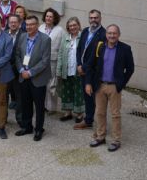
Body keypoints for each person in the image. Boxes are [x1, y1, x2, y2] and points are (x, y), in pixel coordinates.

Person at [85, 24, 134, 152]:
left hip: (114, 87)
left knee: (115, 114)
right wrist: (88, 83)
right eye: (109, 33)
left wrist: (121, 84)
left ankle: (116, 140)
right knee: (99, 113)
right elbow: (90, 65)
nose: (112, 35)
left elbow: (130, 69)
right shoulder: (99, 46)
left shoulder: (125, 49)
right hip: (99, 85)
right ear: (106, 34)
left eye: (114, 33)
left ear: (119, 35)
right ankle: (100, 137)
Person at [14, 15, 51, 141]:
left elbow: (45, 61)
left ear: (37, 25)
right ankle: (27, 126)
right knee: (25, 103)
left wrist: (30, 72)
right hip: (23, 76)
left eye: (32, 24)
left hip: (37, 78)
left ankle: (39, 129)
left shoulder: (45, 39)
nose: (29, 27)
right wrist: (20, 70)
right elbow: (17, 55)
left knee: (39, 106)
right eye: (27, 24)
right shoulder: (22, 36)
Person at [74, 9, 106, 130]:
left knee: (95, 98)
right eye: (91, 18)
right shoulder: (86, 31)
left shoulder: (103, 35)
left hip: (93, 72)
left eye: (96, 18)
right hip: (82, 69)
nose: (93, 20)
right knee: (87, 97)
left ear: (100, 19)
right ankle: (88, 120)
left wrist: (84, 68)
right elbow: (79, 49)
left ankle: (99, 124)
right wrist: (78, 64)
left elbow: (96, 57)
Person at [57, 17, 85, 122]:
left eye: (74, 25)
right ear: (68, 27)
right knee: (66, 91)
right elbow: (60, 54)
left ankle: (79, 114)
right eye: (70, 26)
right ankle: (67, 112)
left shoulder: (82, 37)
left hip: (78, 70)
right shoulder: (65, 37)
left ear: (78, 25)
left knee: (78, 92)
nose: (72, 27)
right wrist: (59, 70)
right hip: (66, 69)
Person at [39, 8, 64, 113]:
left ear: (54, 18)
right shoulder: (40, 27)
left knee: (51, 84)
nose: (48, 18)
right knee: (42, 83)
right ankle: (43, 105)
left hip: (53, 60)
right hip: (40, 60)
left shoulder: (60, 30)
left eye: (50, 17)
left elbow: (62, 47)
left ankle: (52, 107)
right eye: (47, 16)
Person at [6, 14, 25, 126]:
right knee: (3, 97)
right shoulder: (3, 34)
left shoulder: (24, 35)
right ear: (8, 23)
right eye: (11, 22)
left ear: (19, 23)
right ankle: (3, 120)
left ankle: (20, 120)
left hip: (18, 71)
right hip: (5, 71)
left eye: (15, 22)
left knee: (19, 98)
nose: (13, 24)